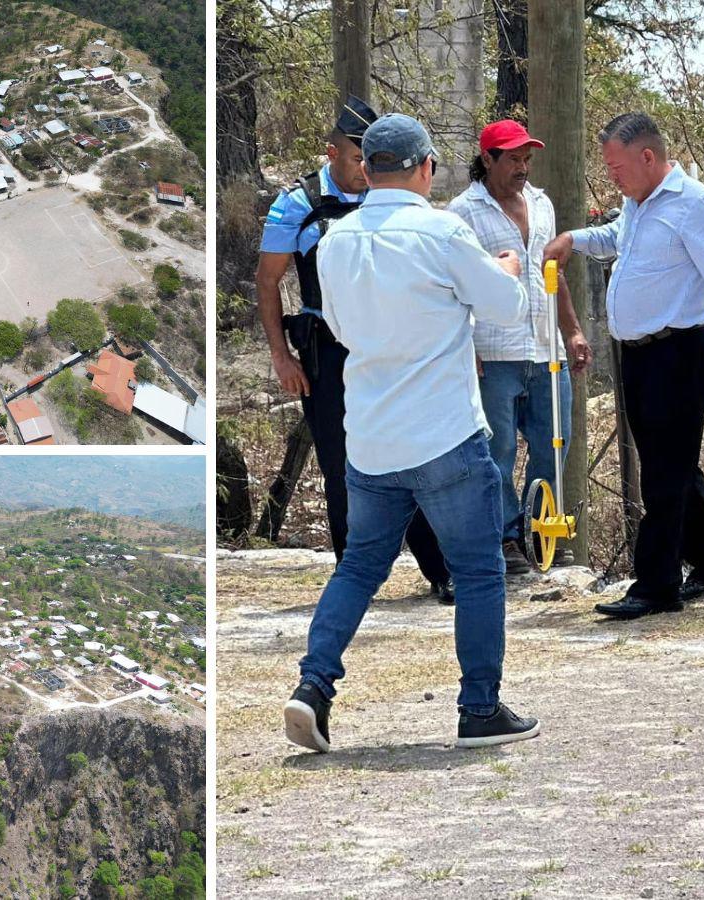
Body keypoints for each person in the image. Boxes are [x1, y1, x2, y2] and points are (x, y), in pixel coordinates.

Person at [283, 113, 540, 752]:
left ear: (366, 170)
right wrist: (505, 266)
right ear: (426, 168)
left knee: (360, 565)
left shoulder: (336, 241)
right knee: (479, 570)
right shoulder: (442, 231)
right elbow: (506, 308)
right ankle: (479, 708)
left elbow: (337, 326)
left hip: (370, 437)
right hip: (445, 432)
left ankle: (314, 687)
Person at [543, 111, 704, 620]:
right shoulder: (637, 205)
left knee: (663, 472)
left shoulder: (694, 205)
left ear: (648, 157)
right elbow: (617, 237)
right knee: (674, 465)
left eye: (616, 166)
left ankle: (657, 586)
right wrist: (574, 238)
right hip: (639, 357)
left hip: (679, 353)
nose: (611, 175)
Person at [255, 97, 454, 603]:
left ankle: (441, 570)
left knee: (416, 455)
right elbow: (269, 280)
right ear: (332, 153)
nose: (366, 169)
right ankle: (356, 577)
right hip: (327, 350)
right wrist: (282, 356)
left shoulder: (389, 197)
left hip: (394, 345)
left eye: (372, 159)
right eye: (355, 158)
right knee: (341, 465)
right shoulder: (297, 203)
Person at [448, 120, 592, 574]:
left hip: (545, 349)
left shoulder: (542, 204)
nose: (523, 167)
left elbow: (554, 274)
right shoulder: (461, 212)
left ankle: (540, 533)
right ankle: (506, 540)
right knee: (499, 451)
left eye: (527, 159)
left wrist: (572, 331)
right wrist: (462, 344)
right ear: (487, 159)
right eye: (513, 158)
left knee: (555, 444)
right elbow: (454, 286)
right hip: (493, 350)